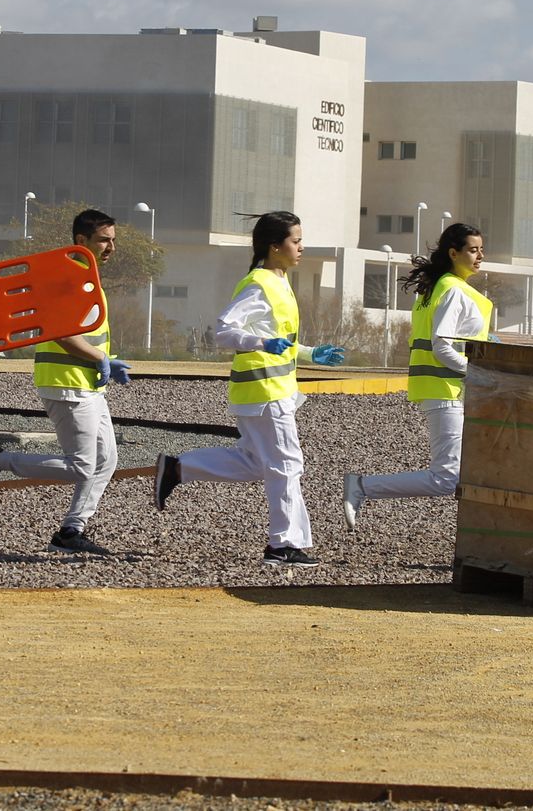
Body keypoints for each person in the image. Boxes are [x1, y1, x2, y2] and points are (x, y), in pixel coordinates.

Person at [152, 211, 346, 567]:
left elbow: (280, 340)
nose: (301, 247)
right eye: (296, 241)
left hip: (271, 392)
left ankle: (180, 468)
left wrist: (310, 352)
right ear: (275, 247)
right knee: (286, 465)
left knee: (258, 463)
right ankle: (282, 545)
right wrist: (258, 341)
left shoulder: (278, 281)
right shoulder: (260, 283)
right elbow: (224, 330)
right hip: (264, 393)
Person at [0, 208, 131, 555]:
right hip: (67, 383)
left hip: (87, 385)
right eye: (104, 240)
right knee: (82, 466)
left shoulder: (87, 277)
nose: (111, 247)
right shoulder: (69, 278)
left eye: (113, 240)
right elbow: (60, 333)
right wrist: (101, 359)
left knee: (106, 461)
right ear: (80, 241)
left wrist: (103, 362)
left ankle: (71, 531)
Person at [343, 222, 491, 531]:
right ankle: (363, 486)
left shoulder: (440, 287)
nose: (480, 256)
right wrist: (476, 371)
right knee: (447, 478)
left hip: (447, 391)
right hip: (446, 391)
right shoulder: (452, 290)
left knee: (465, 472)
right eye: (473, 250)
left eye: (481, 250)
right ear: (454, 253)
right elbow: (442, 346)